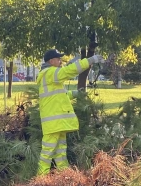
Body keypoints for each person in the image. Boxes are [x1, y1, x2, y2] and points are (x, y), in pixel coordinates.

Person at [36, 48, 102, 176]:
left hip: (56, 123)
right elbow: (69, 71)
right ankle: (40, 180)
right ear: (51, 61)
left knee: (60, 152)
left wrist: (75, 93)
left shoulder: (49, 75)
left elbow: (59, 95)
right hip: (54, 122)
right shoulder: (50, 72)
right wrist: (89, 61)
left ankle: (65, 175)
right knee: (47, 153)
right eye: (58, 59)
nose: (60, 61)